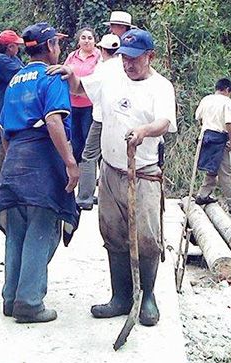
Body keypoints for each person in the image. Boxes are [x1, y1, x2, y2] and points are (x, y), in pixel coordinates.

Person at [49, 28, 177, 326]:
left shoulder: (161, 87)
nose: (128, 64)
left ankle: (146, 296)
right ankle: (120, 296)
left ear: (150, 57)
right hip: (111, 171)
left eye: (134, 59)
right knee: (112, 233)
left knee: (146, 238)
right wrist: (70, 76)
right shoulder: (109, 74)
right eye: (124, 58)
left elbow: (164, 122)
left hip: (143, 174)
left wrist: (144, 131)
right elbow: (81, 89)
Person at [0, 22, 79, 324]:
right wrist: (69, 162)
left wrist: (9, 161)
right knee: (42, 229)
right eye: (58, 44)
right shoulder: (52, 78)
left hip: (15, 161)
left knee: (17, 230)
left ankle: (11, 297)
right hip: (43, 161)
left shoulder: (15, 79)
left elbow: (3, 129)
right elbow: (54, 121)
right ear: (51, 46)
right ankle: (29, 301)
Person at [77, 33, 122, 210]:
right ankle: (111, 196)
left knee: (89, 155)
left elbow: (85, 88)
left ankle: (85, 197)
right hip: (119, 119)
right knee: (111, 156)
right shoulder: (124, 66)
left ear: (102, 50)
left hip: (101, 118)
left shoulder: (103, 68)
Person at [194, 78, 231, 214]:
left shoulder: (206, 99)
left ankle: (203, 195)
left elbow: (198, 118)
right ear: (227, 90)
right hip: (219, 138)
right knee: (226, 172)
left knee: (212, 168)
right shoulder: (226, 101)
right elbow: (229, 123)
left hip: (206, 137)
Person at [63, 28, 100, 211]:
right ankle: (73, 184)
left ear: (95, 40)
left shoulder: (99, 57)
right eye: (83, 38)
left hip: (89, 105)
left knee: (88, 146)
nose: (86, 41)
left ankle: (87, 192)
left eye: (90, 38)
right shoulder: (72, 57)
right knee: (75, 144)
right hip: (72, 105)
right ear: (78, 41)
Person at [0, 30, 24, 187]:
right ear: (10, 46)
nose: (19, 49)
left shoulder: (12, 58)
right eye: (16, 46)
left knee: (5, 134)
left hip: (8, 101)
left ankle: (2, 172)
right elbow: (20, 72)